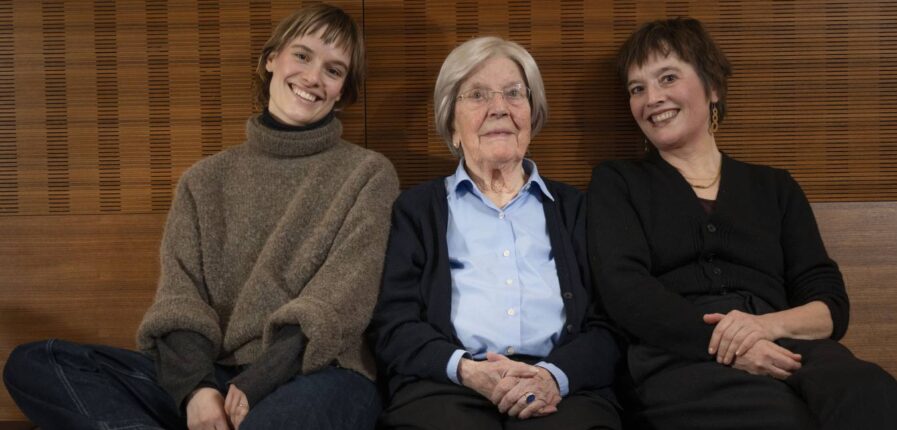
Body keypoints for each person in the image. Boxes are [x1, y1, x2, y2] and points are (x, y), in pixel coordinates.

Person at [3, 4, 398, 429]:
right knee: (35, 364)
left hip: (320, 374)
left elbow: (339, 304)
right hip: (214, 372)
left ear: (343, 92)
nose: (313, 77)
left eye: (334, 70)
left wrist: (255, 385)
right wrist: (196, 390)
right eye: (302, 55)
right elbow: (180, 300)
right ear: (272, 60)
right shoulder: (204, 179)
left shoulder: (368, 174)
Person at [587, 17, 897, 430]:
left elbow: (831, 306)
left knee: (872, 392)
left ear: (712, 87)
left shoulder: (775, 186)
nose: (652, 98)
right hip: (678, 356)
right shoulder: (618, 182)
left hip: (783, 340)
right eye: (637, 88)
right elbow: (624, 291)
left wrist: (762, 328)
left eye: (667, 78)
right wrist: (728, 345)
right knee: (778, 418)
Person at [370, 36, 621, 430]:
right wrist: (466, 370)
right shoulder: (417, 211)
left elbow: (609, 322)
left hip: (560, 387)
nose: (499, 108)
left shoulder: (577, 209)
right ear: (452, 124)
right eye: (478, 95)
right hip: (448, 386)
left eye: (513, 94)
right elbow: (393, 324)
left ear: (532, 117)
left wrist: (552, 376)